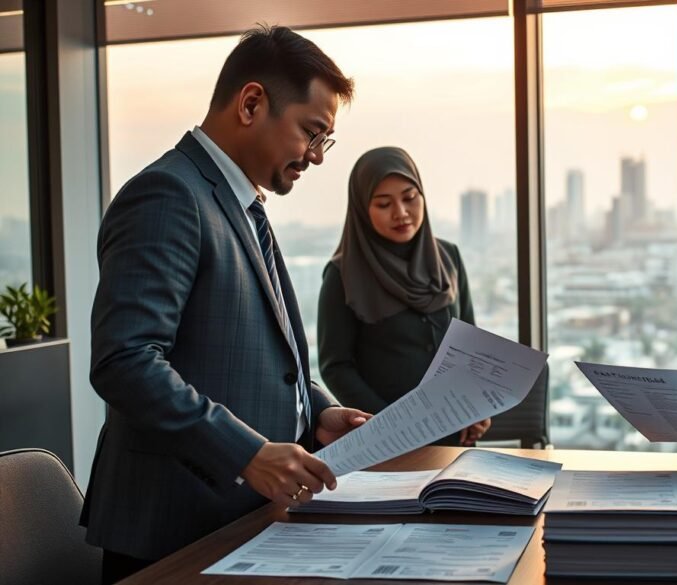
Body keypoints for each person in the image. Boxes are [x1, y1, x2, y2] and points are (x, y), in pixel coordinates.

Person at [83, 25, 371, 583]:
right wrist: (245, 452)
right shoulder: (168, 195)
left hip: (237, 523)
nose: (314, 157)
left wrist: (318, 412)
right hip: (174, 533)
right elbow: (125, 361)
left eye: (323, 141)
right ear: (252, 103)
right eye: (310, 133)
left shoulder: (239, 205)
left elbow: (249, 356)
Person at [317, 146, 489, 447]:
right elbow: (336, 365)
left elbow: (469, 346)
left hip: (455, 434)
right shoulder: (342, 274)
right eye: (384, 204)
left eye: (410, 198)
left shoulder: (448, 256)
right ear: (361, 208)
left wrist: (476, 408)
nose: (401, 213)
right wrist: (391, 425)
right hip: (389, 441)